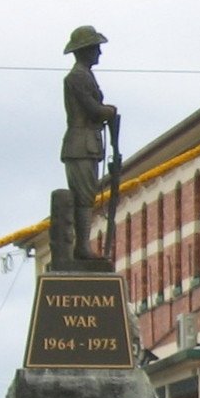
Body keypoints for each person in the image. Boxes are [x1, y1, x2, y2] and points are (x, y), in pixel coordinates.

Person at [61, 25, 117, 260]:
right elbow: (93, 110)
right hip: (80, 143)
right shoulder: (77, 77)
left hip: (89, 143)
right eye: (96, 48)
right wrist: (109, 111)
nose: (99, 53)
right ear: (85, 50)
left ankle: (82, 245)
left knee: (88, 196)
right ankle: (81, 247)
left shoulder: (86, 75)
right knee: (83, 197)